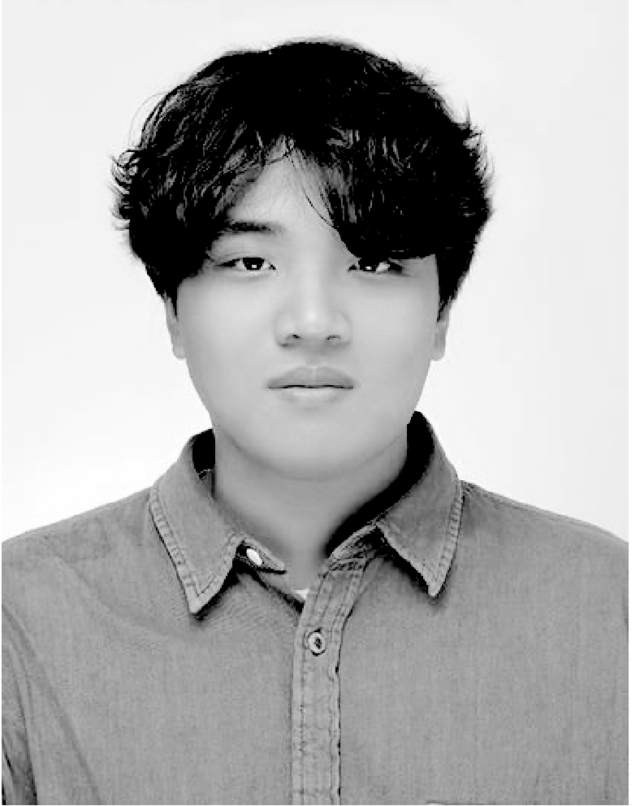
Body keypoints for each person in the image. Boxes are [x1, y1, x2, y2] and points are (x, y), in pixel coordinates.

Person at [2, 38, 627, 805]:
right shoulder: (20, 616)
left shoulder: (608, 606)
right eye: (250, 263)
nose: (312, 321)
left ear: (441, 313)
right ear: (172, 310)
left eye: (373, 261)